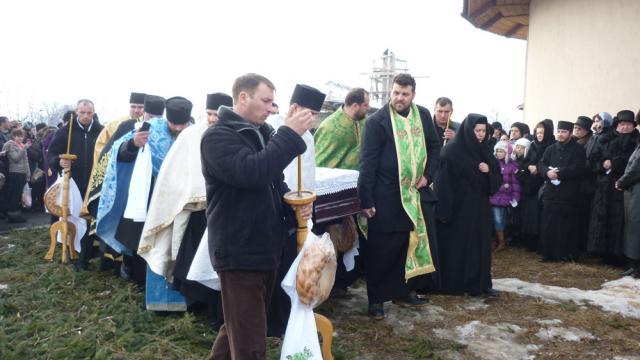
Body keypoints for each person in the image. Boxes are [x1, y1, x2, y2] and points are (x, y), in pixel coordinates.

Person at [201, 73, 312, 359]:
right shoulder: (218, 137)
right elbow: (252, 173)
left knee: (238, 329)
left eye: (273, 103)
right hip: (239, 250)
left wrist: (292, 205)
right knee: (250, 343)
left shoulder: (258, 134)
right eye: (265, 101)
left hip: (262, 247)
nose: (270, 108)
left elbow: (273, 183)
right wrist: (288, 134)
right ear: (242, 98)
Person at [137, 92, 232, 326]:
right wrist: (191, 195)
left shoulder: (233, 134)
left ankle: (209, 306)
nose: (212, 119)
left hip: (221, 210)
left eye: (217, 114)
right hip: (193, 211)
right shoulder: (191, 135)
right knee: (188, 260)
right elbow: (173, 176)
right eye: (209, 114)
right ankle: (189, 302)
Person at [358, 73, 440, 319]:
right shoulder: (377, 122)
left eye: (405, 94)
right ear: (390, 93)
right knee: (382, 250)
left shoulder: (423, 115)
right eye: (395, 93)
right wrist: (366, 200)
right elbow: (367, 164)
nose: (399, 98)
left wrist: (428, 176)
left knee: (409, 245)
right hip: (386, 195)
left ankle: (405, 290)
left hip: (414, 194)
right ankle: (376, 299)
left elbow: (435, 147)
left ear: (413, 94)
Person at [97, 96, 188, 287]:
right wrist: (133, 144)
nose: (179, 128)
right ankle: (140, 280)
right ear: (167, 118)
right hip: (149, 194)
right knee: (143, 238)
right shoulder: (150, 129)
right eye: (174, 124)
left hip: (180, 197)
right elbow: (119, 152)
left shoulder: (193, 134)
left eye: (182, 124)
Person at [435, 114, 502, 296]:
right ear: (468, 130)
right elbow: (444, 183)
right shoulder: (452, 151)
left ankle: (479, 283)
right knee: (459, 246)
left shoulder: (485, 151)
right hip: (458, 208)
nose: (480, 135)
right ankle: (457, 283)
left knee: (479, 245)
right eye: (477, 130)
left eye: (483, 131)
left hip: (480, 207)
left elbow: (497, 178)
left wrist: (488, 172)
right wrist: (444, 210)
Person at [48, 99, 104, 270]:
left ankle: (84, 257)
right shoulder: (65, 131)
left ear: (94, 112)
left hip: (94, 183)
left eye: (89, 113)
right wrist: (59, 161)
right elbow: (51, 154)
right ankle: (71, 251)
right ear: (76, 112)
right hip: (73, 183)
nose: (86, 116)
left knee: (88, 220)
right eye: (82, 112)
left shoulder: (101, 131)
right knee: (72, 217)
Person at [588, 110, 639, 261]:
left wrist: (614, 164)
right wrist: (603, 165)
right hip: (603, 186)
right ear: (616, 126)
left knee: (619, 221)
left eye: (628, 124)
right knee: (601, 219)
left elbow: (633, 165)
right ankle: (600, 252)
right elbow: (593, 161)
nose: (624, 127)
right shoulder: (605, 139)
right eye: (622, 124)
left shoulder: (635, 141)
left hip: (623, 186)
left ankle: (617, 254)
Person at [537, 120, 586, 262]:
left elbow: (578, 168)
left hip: (568, 194)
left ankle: (565, 254)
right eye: (558, 131)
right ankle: (547, 254)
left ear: (570, 133)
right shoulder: (550, 148)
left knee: (566, 226)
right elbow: (541, 163)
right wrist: (547, 172)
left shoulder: (578, 150)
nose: (560, 134)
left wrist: (559, 173)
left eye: (563, 132)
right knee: (548, 224)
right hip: (551, 193)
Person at [516, 120, 553, 252]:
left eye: (542, 133)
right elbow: (524, 163)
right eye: (537, 132)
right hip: (529, 185)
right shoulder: (533, 146)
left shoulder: (551, 146)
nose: (539, 135)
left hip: (542, 185)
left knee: (538, 215)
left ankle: (537, 242)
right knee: (528, 215)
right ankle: (528, 241)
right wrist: (529, 166)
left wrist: (538, 168)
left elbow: (549, 164)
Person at [314, 87, 370, 170]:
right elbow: (320, 164)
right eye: (365, 105)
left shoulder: (366, 121)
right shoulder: (329, 127)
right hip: (335, 180)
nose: (369, 108)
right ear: (355, 106)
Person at [92, 92, 146, 165]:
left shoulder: (150, 125)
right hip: (117, 165)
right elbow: (100, 146)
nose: (136, 110)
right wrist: (115, 154)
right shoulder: (114, 124)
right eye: (133, 107)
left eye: (140, 107)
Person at [616, 137, 640, 277]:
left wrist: (621, 182)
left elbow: (636, 169)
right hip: (633, 191)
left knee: (636, 227)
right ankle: (634, 264)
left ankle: (636, 266)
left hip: (636, 191)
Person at [2, 129, 30, 223]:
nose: (20, 138)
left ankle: (16, 215)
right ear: (13, 136)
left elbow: (26, 162)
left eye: (22, 136)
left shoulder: (21, 145)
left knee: (18, 196)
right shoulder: (9, 144)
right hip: (14, 172)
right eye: (18, 136)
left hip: (22, 172)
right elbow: (15, 158)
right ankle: (13, 216)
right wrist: (24, 149)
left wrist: (28, 174)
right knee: (14, 195)